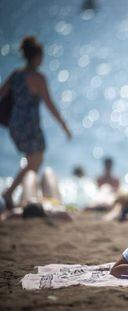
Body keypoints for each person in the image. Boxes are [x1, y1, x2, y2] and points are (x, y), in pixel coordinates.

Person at [0, 36, 72, 210]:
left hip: (15, 124)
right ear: (36, 56)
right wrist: (64, 126)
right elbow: (50, 104)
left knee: (32, 159)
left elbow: (1, 94)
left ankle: (21, 193)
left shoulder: (15, 75)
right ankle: (14, 193)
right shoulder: (38, 77)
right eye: (41, 56)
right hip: (29, 125)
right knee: (35, 159)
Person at [2, 168, 72, 221]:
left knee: (31, 174)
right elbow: (68, 216)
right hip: (51, 202)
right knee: (48, 172)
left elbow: (6, 216)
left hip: (28, 204)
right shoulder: (54, 211)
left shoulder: (20, 212)